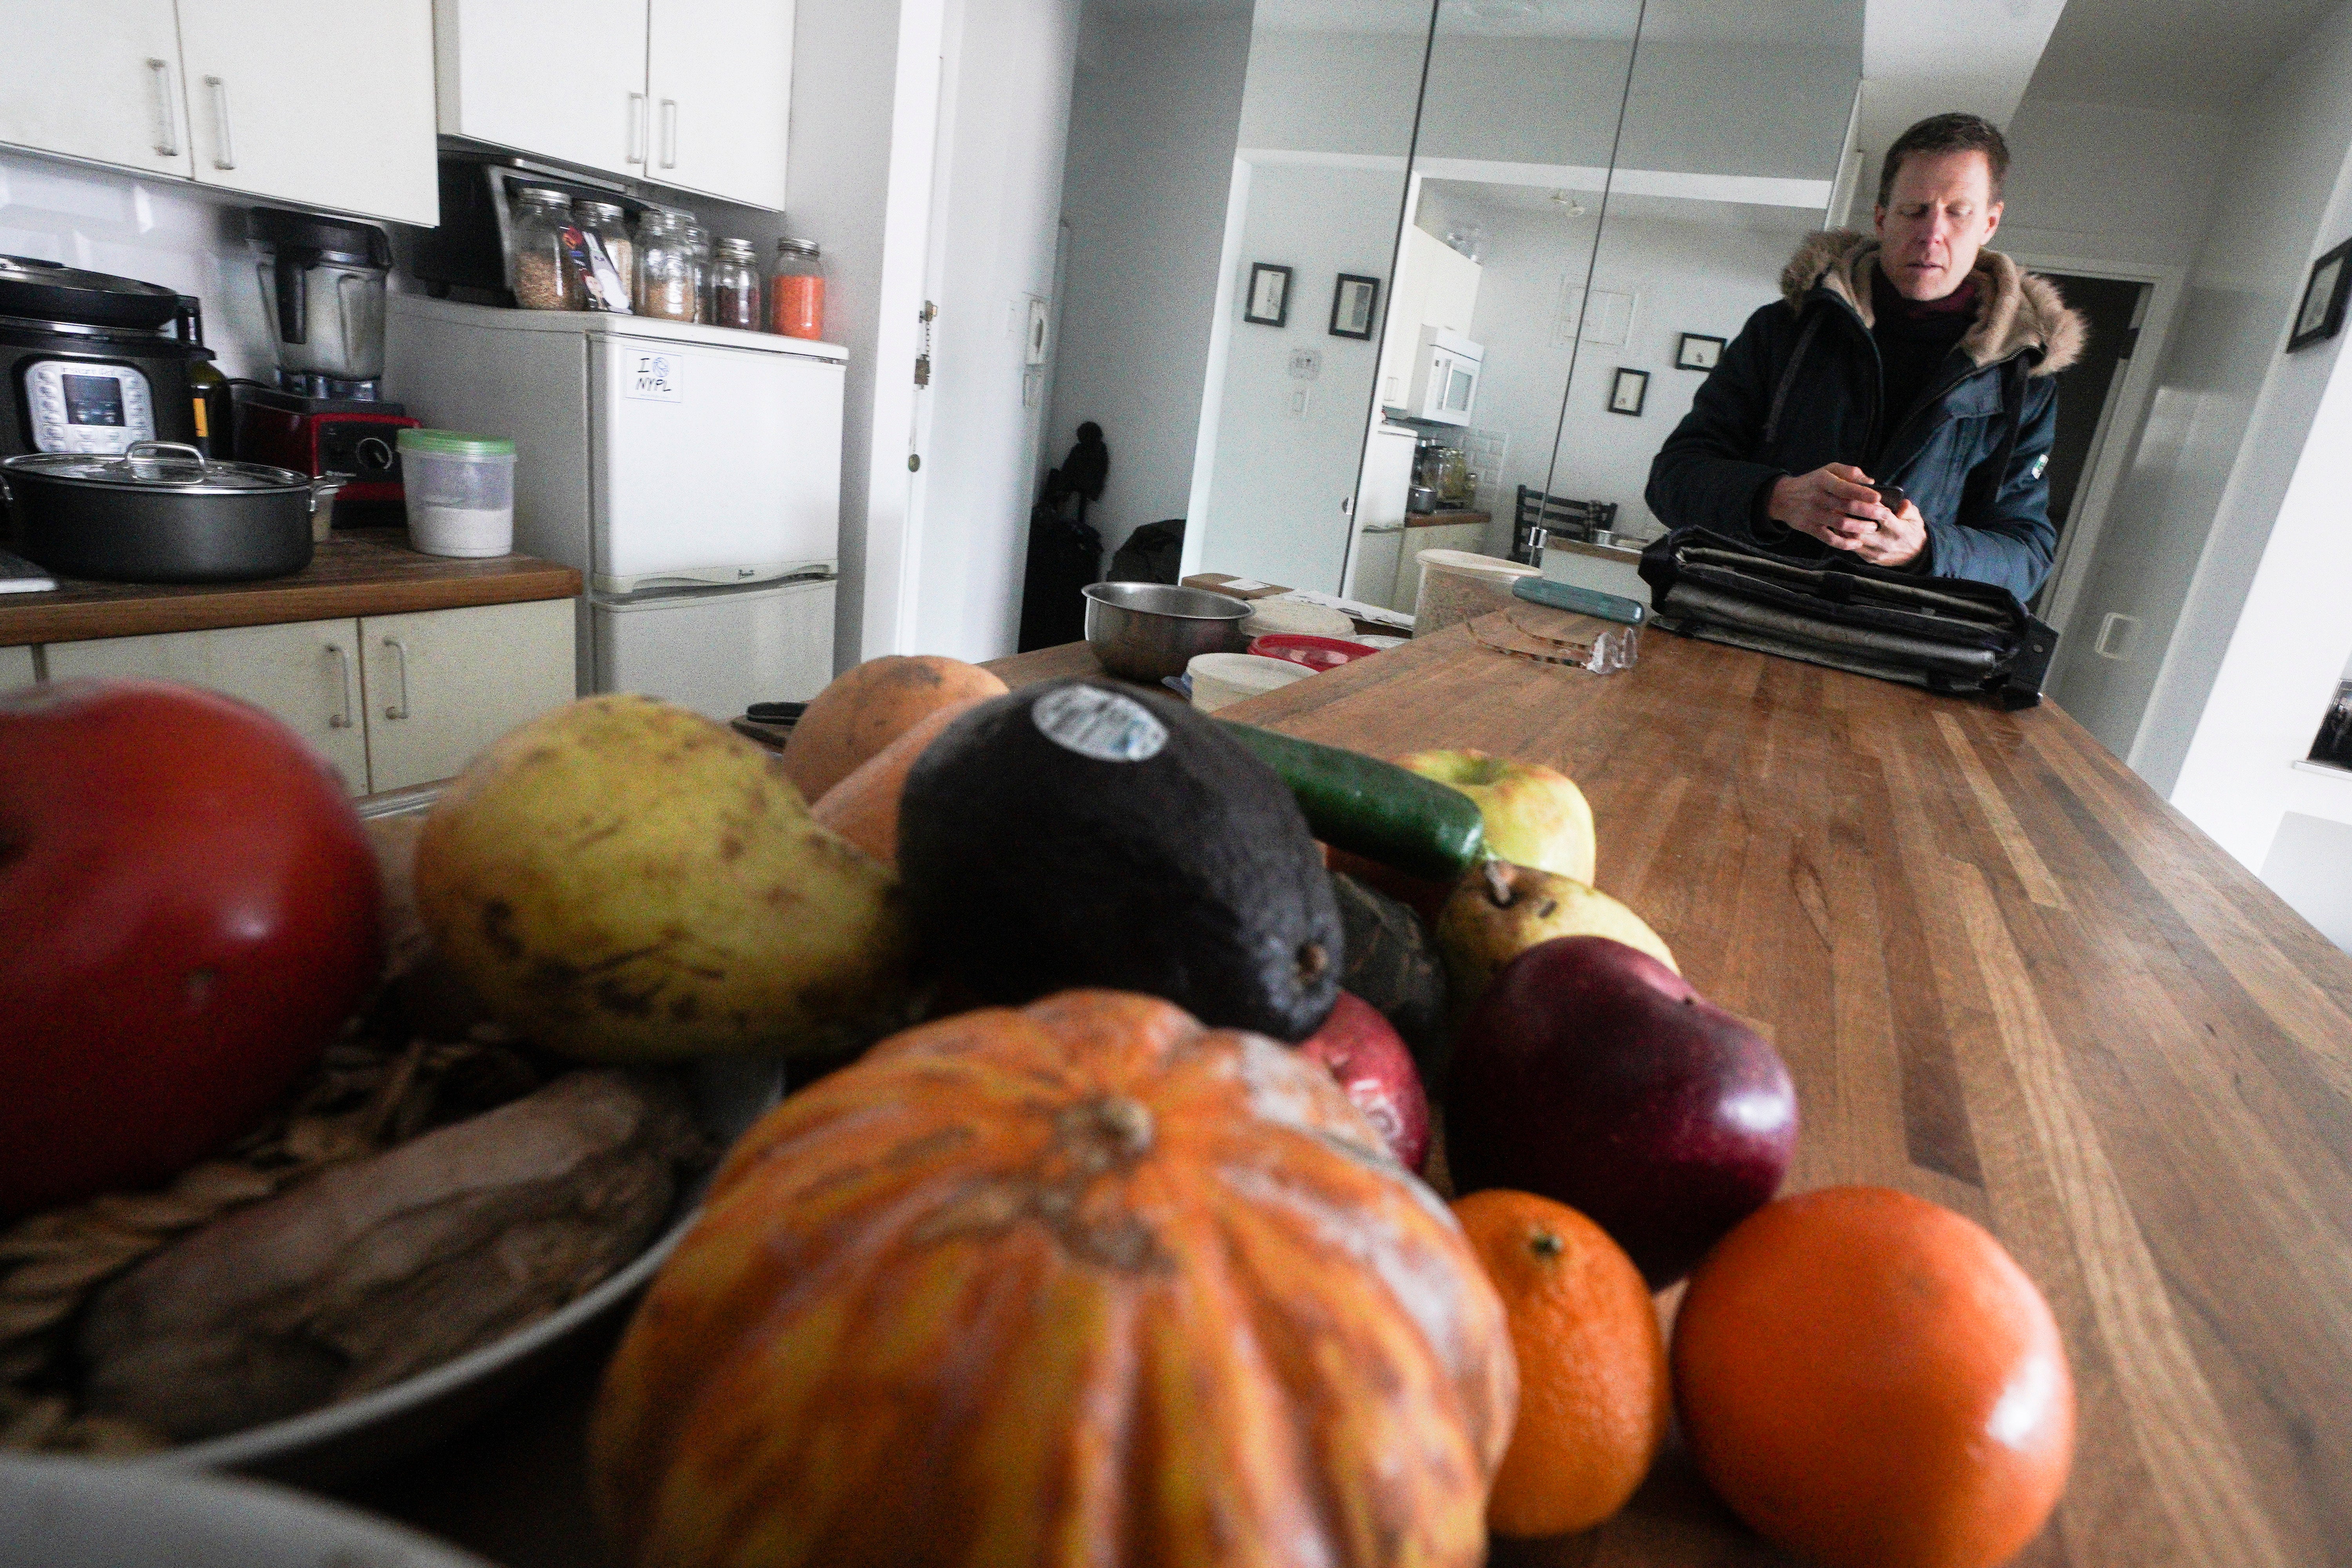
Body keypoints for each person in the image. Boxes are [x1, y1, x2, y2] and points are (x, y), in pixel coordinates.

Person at [1645, 113, 2083, 600]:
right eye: (1914, 210)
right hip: (1736, 617)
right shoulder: (1781, 331)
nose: (1932, 234)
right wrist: (1776, 498)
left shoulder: (2025, 383)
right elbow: (1671, 480)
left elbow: (2027, 557)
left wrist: (1926, 549)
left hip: (1891, 653)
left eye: (1958, 212)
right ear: (1880, 217)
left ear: (1990, 223)